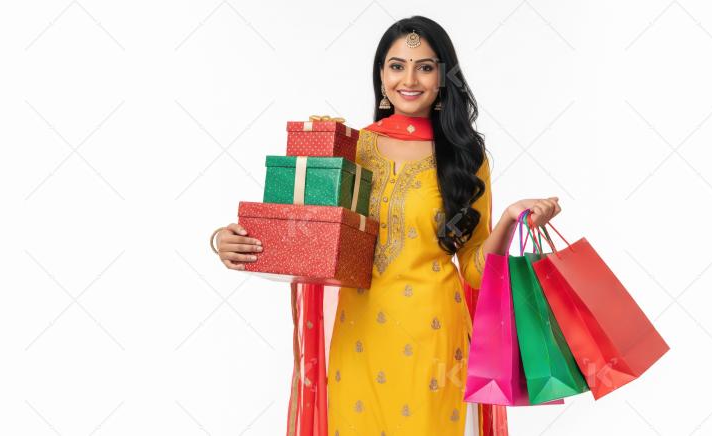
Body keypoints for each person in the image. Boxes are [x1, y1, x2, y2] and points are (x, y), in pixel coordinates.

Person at [212, 15, 560, 436]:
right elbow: (304, 234)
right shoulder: (351, 149)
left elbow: (474, 269)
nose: (409, 79)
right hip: (358, 338)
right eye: (397, 65)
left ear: (443, 78)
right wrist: (222, 240)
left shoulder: (465, 159)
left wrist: (508, 220)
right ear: (380, 75)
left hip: (434, 343)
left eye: (426, 66)